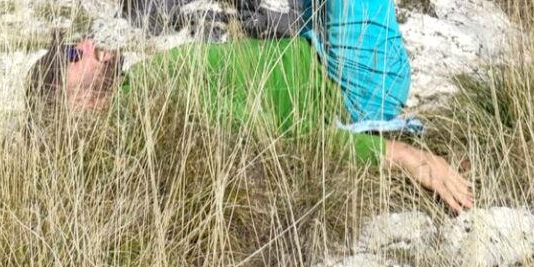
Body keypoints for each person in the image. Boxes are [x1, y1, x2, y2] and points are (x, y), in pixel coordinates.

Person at [28, 23, 473, 215]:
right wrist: (404, 157)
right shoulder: (153, 111)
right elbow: (285, 139)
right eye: (72, 55)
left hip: (323, 44)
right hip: (346, 66)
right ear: (73, 107)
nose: (85, 42)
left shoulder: (138, 90)